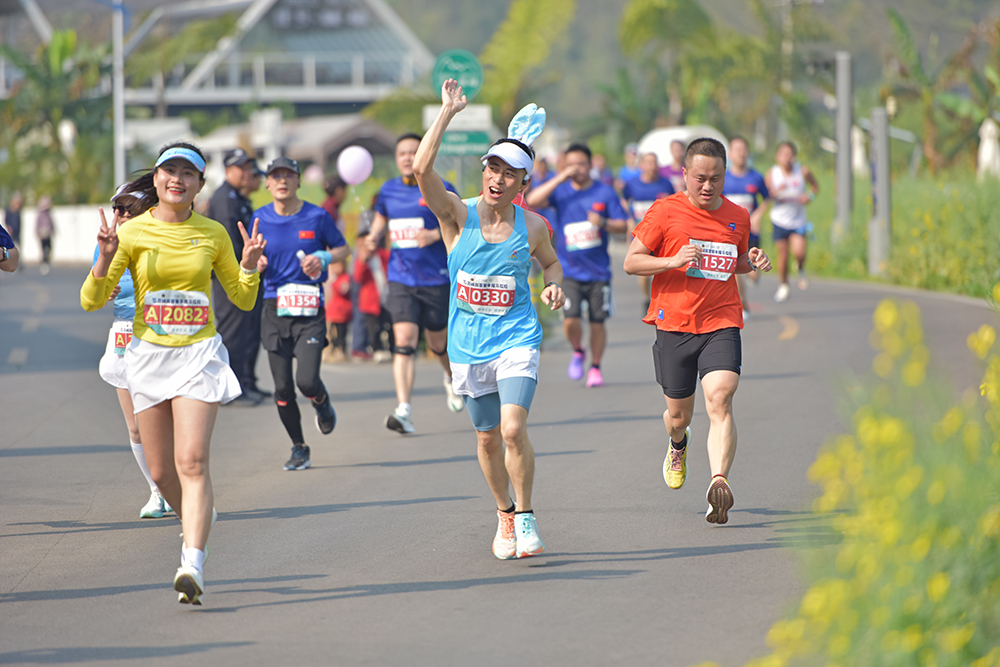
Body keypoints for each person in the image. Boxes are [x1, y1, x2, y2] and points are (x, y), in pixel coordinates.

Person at [81, 141, 266, 604]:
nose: (177, 179)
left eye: (188, 173)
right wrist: (104, 257)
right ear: (158, 179)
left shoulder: (213, 234)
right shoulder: (133, 233)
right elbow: (90, 298)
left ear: (200, 184)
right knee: (163, 472)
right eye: (169, 171)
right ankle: (199, 516)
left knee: (191, 462)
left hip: (198, 355)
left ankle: (193, 561)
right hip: (147, 357)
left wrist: (248, 268)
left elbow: (241, 298)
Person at [415, 79, 565, 559]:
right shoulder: (457, 215)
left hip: (517, 338)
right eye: (492, 168)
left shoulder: (534, 226)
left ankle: (525, 515)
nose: (497, 178)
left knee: (512, 430)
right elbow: (421, 169)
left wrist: (554, 284)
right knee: (485, 439)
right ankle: (503, 513)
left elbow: (551, 263)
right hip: (468, 345)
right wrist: (446, 113)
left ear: (524, 183)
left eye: (510, 173)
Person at [624, 137, 772, 525]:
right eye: (700, 178)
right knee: (678, 416)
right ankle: (678, 444)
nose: (708, 187)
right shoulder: (664, 211)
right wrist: (672, 260)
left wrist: (751, 260)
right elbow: (631, 262)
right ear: (685, 174)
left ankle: (718, 482)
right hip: (674, 324)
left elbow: (733, 262)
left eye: (716, 179)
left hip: (721, 320)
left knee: (721, 399)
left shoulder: (738, 216)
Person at [366, 133, 465, 433]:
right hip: (401, 277)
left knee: (438, 343)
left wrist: (435, 236)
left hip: (436, 277)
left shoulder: (441, 187)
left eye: (414, 151)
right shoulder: (388, 190)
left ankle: (450, 377)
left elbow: (463, 225)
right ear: (396, 159)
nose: (408, 158)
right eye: (402, 153)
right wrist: (372, 237)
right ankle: (404, 409)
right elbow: (381, 221)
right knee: (404, 341)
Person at [255, 157, 349, 470]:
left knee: (306, 381)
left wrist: (323, 256)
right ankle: (299, 447)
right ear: (267, 183)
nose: (282, 181)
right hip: (273, 307)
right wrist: (254, 263)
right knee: (282, 388)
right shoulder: (259, 219)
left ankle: (322, 403)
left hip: (309, 309)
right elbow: (242, 261)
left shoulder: (317, 216)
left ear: (298, 182)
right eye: (275, 176)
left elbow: (343, 249)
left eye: (288, 175)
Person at [92, 183, 172, 518]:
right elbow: (94, 289)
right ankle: (158, 492)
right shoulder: (108, 244)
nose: (119, 214)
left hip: (161, 335)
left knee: (167, 422)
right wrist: (102, 289)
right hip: (124, 333)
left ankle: (183, 483)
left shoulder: (162, 240)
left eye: (126, 208)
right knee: (136, 426)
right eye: (116, 208)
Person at [525, 142, 628, 388]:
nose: (577, 169)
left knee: (597, 322)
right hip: (568, 270)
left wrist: (602, 222)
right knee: (570, 320)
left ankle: (595, 367)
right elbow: (533, 200)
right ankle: (578, 350)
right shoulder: (562, 192)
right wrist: (560, 177)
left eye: (581, 164)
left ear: (591, 165)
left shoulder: (605, 192)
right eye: (571, 164)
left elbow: (623, 225)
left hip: (599, 271)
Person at [207, 148, 267, 404]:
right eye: (240, 168)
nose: (246, 173)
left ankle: (245, 382)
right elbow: (229, 243)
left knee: (247, 330)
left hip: (241, 274)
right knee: (232, 332)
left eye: (247, 167)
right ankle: (228, 391)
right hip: (228, 277)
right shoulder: (224, 198)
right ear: (227, 171)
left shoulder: (237, 198)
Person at [723, 136, 771, 317]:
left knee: (753, 271)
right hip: (730, 231)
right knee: (734, 268)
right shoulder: (724, 178)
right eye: (737, 150)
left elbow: (767, 198)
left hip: (751, 230)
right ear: (730, 153)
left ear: (748, 152)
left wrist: (758, 215)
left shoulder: (756, 177)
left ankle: (754, 275)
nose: (741, 153)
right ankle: (743, 305)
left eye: (744, 149)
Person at [766, 141, 819, 303]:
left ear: (794, 157)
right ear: (777, 156)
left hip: (797, 221)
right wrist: (776, 191)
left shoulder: (802, 171)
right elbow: (767, 194)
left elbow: (815, 187)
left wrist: (809, 197)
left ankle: (800, 266)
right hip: (779, 220)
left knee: (799, 252)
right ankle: (784, 284)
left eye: (790, 155)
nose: (787, 158)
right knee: (783, 254)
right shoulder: (772, 173)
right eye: (783, 154)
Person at [623, 152, 675, 312]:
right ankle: (647, 298)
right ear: (641, 165)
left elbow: (674, 205)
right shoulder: (632, 184)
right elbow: (624, 200)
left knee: (663, 268)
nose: (652, 166)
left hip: (662, 234)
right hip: (642, 234)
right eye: (648, 163)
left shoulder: (666, 184)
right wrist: (630, 219)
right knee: (643, 272)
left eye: (654, 163)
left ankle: (662, 299)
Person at [354, 228, 394, 362]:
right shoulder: (361, 259)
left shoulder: (382, 254)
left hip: (386, 296)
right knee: (373, 327)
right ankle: (377, 349)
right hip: (370, 301)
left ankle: (392, 349)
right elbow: (358, 277)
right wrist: (363, 260)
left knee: (389, 324)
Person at [323, 260, 352, 364]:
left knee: (341, 334)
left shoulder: (345, 278)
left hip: (342, 312)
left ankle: (341, 351)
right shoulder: (331, 279)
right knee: (331, 334)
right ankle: (332, 351)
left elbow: (344, 289)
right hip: (332, 312)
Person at [36, 196, 53, 275]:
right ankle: (43, 263)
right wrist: (37, 232)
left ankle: (46, 259)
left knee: (49, 247)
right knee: (43, 248)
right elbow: (37, 224)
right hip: (42, 234)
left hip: (48, 233)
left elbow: (51, 223)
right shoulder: (40, 215)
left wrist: (53, 230)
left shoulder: (48, 214)